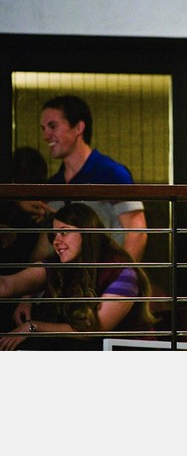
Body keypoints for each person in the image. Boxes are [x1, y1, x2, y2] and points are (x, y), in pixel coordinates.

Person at [0, 203, 155, 351]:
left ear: (86, 232)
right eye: (54, 235)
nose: (56, 242)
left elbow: (94, 329)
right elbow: (6, 285)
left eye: (64, 232)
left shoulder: (122, 272)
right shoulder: (56, 264)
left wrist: (35, 327)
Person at [30, 94, 147, 262]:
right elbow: (45, 246)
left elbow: (137, 232)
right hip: (67, 276)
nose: (46, 136)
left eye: (53, 126)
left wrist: (121, 275)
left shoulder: (111, 174)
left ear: (79, 127)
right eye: (43, 129)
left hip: (105, 274)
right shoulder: (54, 184)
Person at [0, 147, 51, 332]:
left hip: (20, 287)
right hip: (21, 288)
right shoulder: (36, 212)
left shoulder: (39, 212)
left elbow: (40, 259)